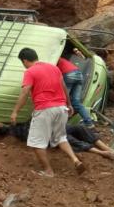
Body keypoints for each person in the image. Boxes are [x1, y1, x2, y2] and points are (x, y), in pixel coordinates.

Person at [11, 47, 85, 177]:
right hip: (61, 108)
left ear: (25, 60)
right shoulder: (54, 68)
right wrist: (69, 104)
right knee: (61, 137)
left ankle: (48, 171)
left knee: (36, 142)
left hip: (45, 109)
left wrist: (15, 111)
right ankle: (75, 160)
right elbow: (64, 88)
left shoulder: (30, 71)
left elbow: (25, 92)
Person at [0, 121, 114, 160]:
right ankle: (103, 153)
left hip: (52, 126)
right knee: (69, 139)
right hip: (46, 134)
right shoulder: (10, 130)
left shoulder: (17, 114)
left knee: (80, 128)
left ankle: (107, 148)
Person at [57, 45, 94, 127]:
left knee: (62, 100)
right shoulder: (63, 60)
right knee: (76, 102)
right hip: (79, 75)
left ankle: (60, 125)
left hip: (69, 75)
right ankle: (88, 122)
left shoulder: (54, 61)